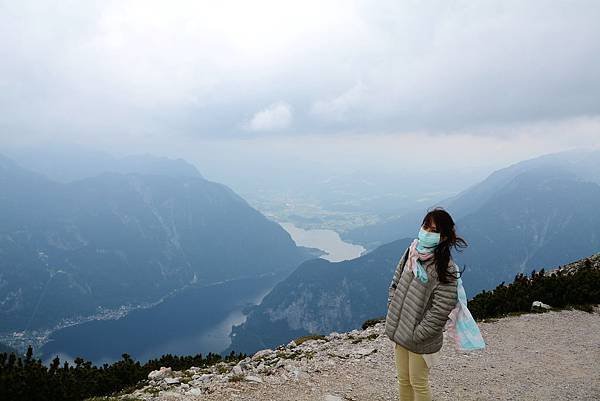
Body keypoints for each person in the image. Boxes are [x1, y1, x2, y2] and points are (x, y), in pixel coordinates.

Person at [385, 207, 467, 401]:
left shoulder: (445, 268)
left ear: (444, 237)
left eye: (434, 230)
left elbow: (442, 308)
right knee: (404, 381)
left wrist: (418, 334)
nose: (427, 233)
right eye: (425, 227)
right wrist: (392, 306)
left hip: (420, 339)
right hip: (400, 331)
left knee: (418, 383)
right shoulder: (411, 252)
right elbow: (395, 282)